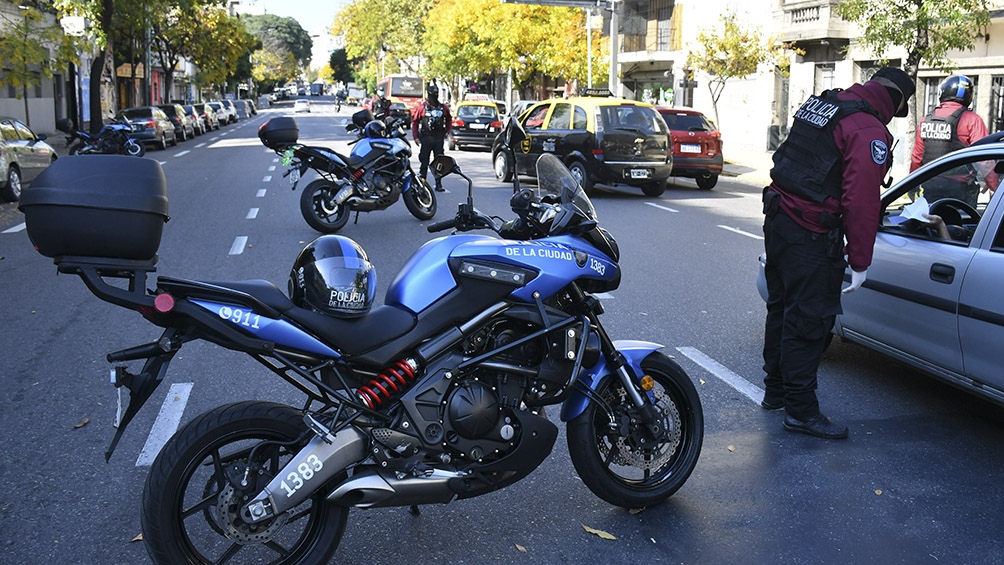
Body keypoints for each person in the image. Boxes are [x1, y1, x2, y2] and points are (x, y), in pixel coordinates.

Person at [761, 67, 916, 439]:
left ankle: (776, 392)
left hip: (779, 218)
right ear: (895, 99)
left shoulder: (824, 104)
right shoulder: (866, 129)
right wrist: (860, 260)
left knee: (781, 308)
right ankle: (800, 411)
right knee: (809, 320)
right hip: (811, 234)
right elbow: (861, 202)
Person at [910, 75, 995, 206]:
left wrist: (911, 185)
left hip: (930, 188)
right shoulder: (972, 119)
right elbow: (985, 159)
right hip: (960, 191)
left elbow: (917, 158)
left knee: (931, 223)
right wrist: (994, 185)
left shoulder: (925, 120)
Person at [411, 83, 452, 192]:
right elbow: (415, 122)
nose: (435, 96)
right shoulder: (422, 107)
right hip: (426, 138)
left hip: (438, 138)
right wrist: (415, 137)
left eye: (436, 94)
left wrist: (447, 131)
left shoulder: (443, 108)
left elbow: (448, 119)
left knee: (439, 161)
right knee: (424, 162)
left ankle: (438, 183)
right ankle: (422, 183)